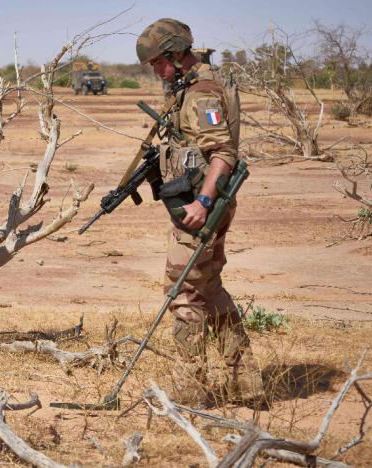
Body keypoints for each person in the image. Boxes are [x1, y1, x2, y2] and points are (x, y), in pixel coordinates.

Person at [136, 18, 265, 407]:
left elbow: (223, 153)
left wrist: (202, 202)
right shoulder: (189, 87)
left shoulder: (201, 93)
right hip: (204, 203)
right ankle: (249, 384)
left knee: (185, 295)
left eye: (158, 62)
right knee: (209, 289)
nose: (156, 70)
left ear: (176, 54)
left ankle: (189, 391)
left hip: (204, 207)